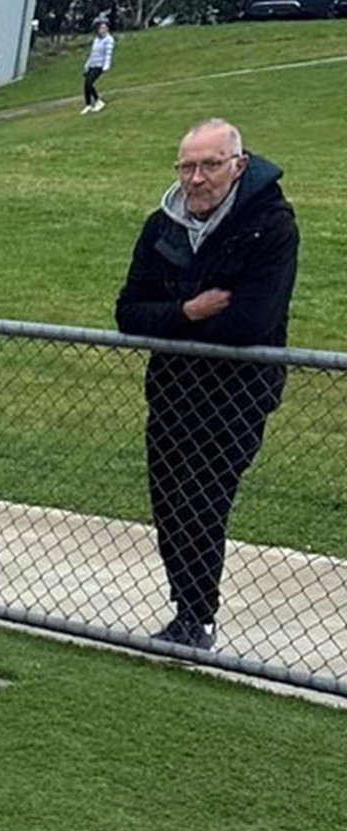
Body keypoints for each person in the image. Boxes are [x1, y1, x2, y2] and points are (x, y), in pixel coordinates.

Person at [115, 119, 298, 652]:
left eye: (209, 165)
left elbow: (251, 323)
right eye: (187, 166)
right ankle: (185, 612)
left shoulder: (271, 225)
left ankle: (198, 617)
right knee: (169, 501)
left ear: (237, 166)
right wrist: (188, 311)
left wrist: (170, 323)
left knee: (203, 498)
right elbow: (129, 312)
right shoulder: (162, 226)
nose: (196, 179)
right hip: (171, 390)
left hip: (238, 395)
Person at [83, 20, 113, 115]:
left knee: (89, 83)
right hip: (92, 64)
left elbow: (108, 53)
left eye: (104, 28)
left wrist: (106, 65)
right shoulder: (96, 39)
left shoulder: (109, 39)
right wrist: (87, 64)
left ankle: (98, 101)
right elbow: (93, 53)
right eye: (101, 28)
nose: (102, 30)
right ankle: (88, 105)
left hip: (99, 65)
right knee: (86, 85)